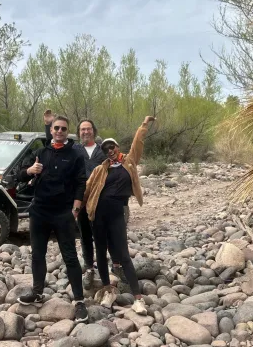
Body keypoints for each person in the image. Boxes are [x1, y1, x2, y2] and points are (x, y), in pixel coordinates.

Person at [16, 115, 89, 324]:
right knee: (37, 254)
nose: (59, 131)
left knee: (70, 257)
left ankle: (79, 301)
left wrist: (76, 208)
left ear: (67, 132)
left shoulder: (74, 155)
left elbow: (80, 183)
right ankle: (37, 292)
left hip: (63, 213)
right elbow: (19, 175)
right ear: (51, 130)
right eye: (56, 128)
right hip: (39, 211)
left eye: (63, 129)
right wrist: (31, 170)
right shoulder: (40, 152)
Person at [43, 110, 126, 289]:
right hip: (80, 199)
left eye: (88, 129)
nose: (85, 132)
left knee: (108, 234)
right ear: (78, 132)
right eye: (82, 130)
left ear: (94, 131)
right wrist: (48, 125)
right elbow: (53, 144)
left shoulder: (103, 149)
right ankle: (89, 268)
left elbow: (120, 167)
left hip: (103, 200)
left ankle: (117, 265)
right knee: (85, 236)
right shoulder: (74, 149)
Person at [84, 115, 156, 314]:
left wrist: (143, 125)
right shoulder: (100, 169)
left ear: (117, 147)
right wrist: (73, 209)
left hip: (117, 213)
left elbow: (137, 143)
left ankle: (138, 299)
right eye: (106, 149)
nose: (110, 151)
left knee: (124, 255)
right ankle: (108, 291)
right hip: (98, 215)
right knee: (100, 253)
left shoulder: (129, 162)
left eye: (112, 147)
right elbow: (87, 190)